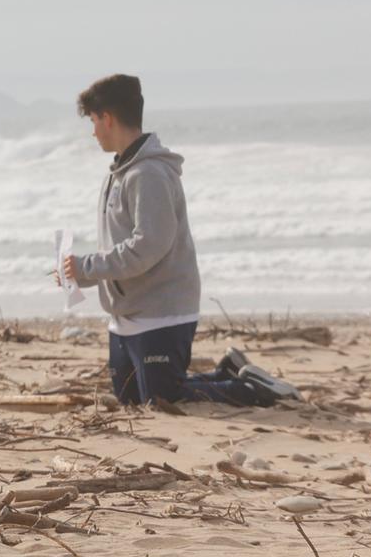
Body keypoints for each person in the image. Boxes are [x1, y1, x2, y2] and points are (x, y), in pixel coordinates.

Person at [61, 75, 293, 406]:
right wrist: (77, 273)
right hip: (126, 315)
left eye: (94, 121)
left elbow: (148, 246)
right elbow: (120, 246)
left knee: (163, 399)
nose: (93, 131)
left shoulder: (148, 174)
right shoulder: (118, 173)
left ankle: (257, 390)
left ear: (107, 118)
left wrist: (87, 267)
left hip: (161, 311)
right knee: (131, 400)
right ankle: (227, 373)